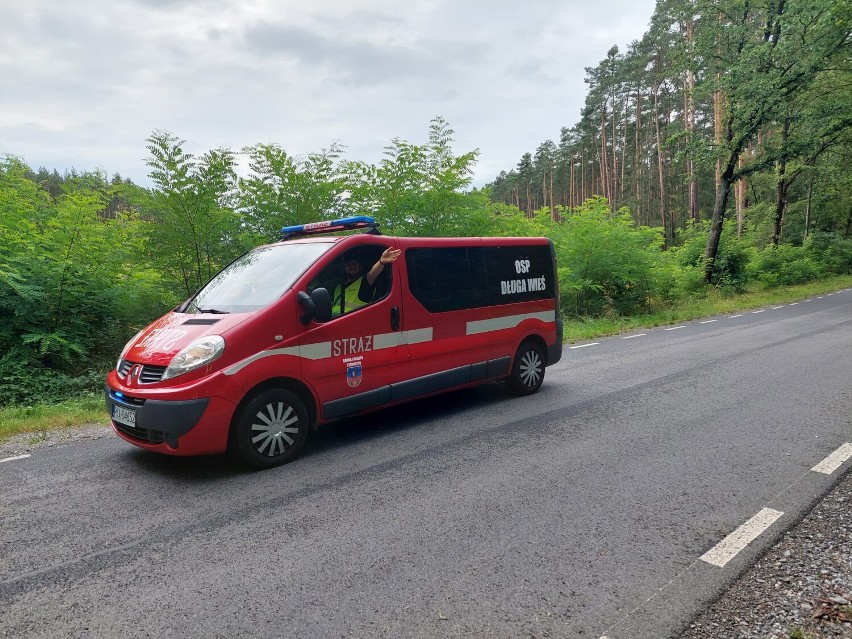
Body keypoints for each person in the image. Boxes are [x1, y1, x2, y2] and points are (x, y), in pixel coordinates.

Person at [332, 247, 401, 315]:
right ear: (344, 267)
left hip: (353, 322)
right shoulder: (339, 287)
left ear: (360, 267)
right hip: (333, 322)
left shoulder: (363, 283)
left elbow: (372, 274)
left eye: (355, 264)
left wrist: (381, 262)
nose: (352, 266)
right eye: (349, 264)